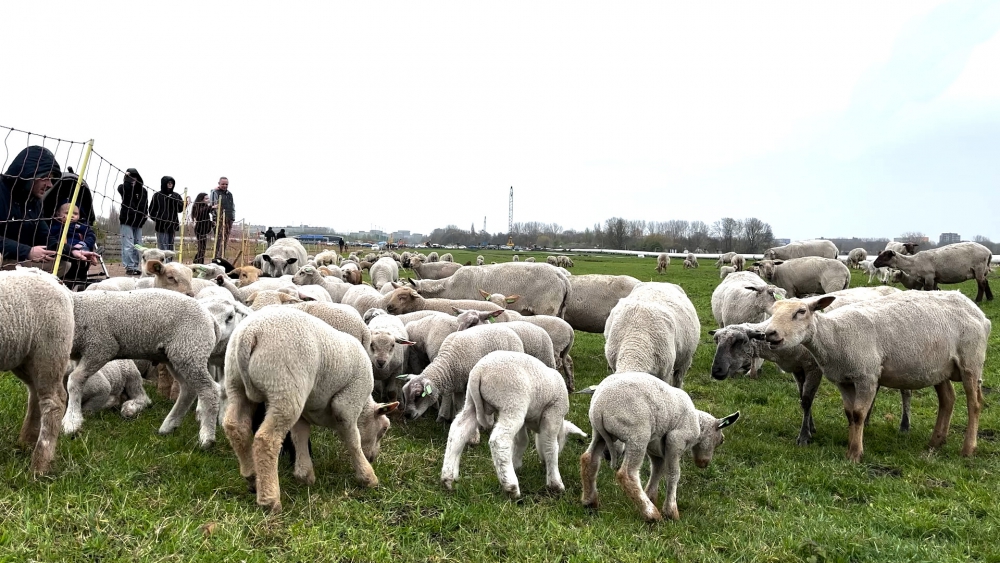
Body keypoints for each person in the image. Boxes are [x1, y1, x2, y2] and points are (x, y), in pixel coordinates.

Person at [0, 146, 61, 266]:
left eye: (52, 179)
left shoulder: (34, 201)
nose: (50, 185)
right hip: (6, 255)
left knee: (62, 264)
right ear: (28, 173)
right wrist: (27, 251)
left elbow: (44, 235)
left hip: (17, 257)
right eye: (45, 177)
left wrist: (72, 251)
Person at [46, 201, 99, 289]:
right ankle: (66, 278)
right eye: (67, 213)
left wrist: (83, 243)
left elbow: (91, 235)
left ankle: (81, 277)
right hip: (63, 249)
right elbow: (50, 237)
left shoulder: (81, 225)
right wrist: (61, 225)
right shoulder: (54, 225)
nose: (71, 215)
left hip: (80, 247)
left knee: (85, 252)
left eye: (75, 213)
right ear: (58, 213)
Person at [117, 168, 148, 275]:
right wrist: (127, 180)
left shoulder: (143, 191)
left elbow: (145, 205)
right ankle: (129, 266)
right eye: (130, 177)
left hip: (138, 221)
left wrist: (144, 216)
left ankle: (136, 266)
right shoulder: (123, 188)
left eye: (134, 177)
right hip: (127, 220)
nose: (133, 179)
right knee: (128, 244)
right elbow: (124, 190)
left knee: (138, 244)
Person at [149, 176, 184, 251]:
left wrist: (176, 201)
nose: (170, 184)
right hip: (161, 226)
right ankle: (163, 262)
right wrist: (159, 219)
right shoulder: (157, 196)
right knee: (162, 248)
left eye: (172, 183)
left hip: (172, 226)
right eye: (168, 183)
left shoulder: (176, 196)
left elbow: (180, 209)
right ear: (164, 183)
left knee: (170, 248)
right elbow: (151, 211)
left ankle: (169, 262)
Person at [210, 176, 234, 259]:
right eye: (223, 184)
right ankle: (216, 257)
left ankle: (222, 256)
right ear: (219, 184)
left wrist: (232, 217)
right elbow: (212, 204)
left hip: (228, 218)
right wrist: (215, 218)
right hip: (219, 219)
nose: (225, 186)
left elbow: (232, 206)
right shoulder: (215, 192)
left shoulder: (230, 194)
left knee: (225, 239)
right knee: (219, 239)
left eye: (226, 184)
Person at [191, 192, 214, 264]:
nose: (208, 200)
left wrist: (211, 223)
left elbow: (205, 218)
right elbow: (200, 214)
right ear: (201, 199)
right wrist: (211, 207)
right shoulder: (197, 206)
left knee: (202, 248)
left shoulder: (205, 206)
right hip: (199, 230)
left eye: (208, 198)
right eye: (206, 198)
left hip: (204, 229)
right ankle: (199, 263)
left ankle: (196, 262)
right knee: (201, 248)